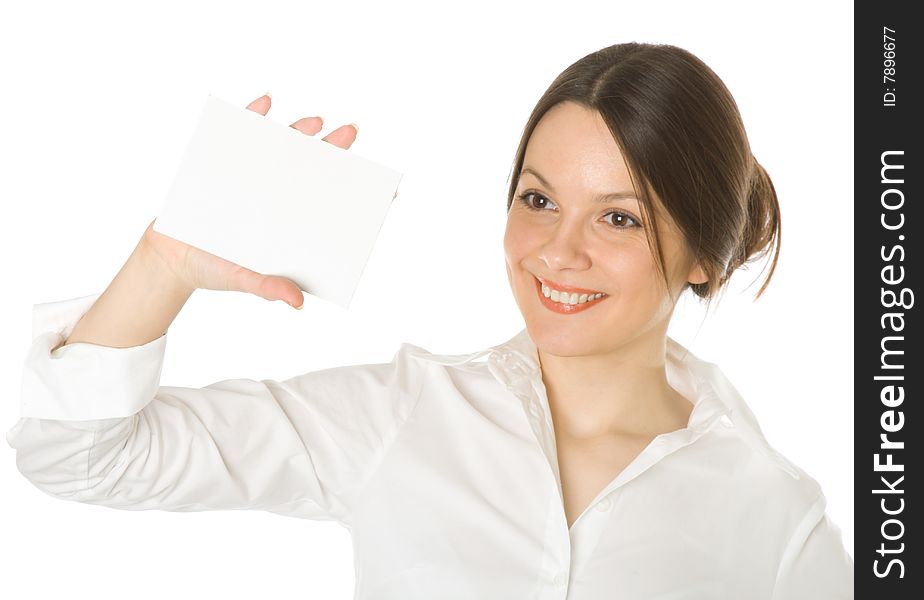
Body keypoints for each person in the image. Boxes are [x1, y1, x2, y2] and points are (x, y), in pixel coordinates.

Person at [6, 42, 853, 598]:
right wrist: (167, 264)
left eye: (619, 217)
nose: (557, 251)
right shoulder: (400, 417)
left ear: (704, 254)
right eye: (538, 199)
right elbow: (80, 457)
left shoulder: (776, 521)